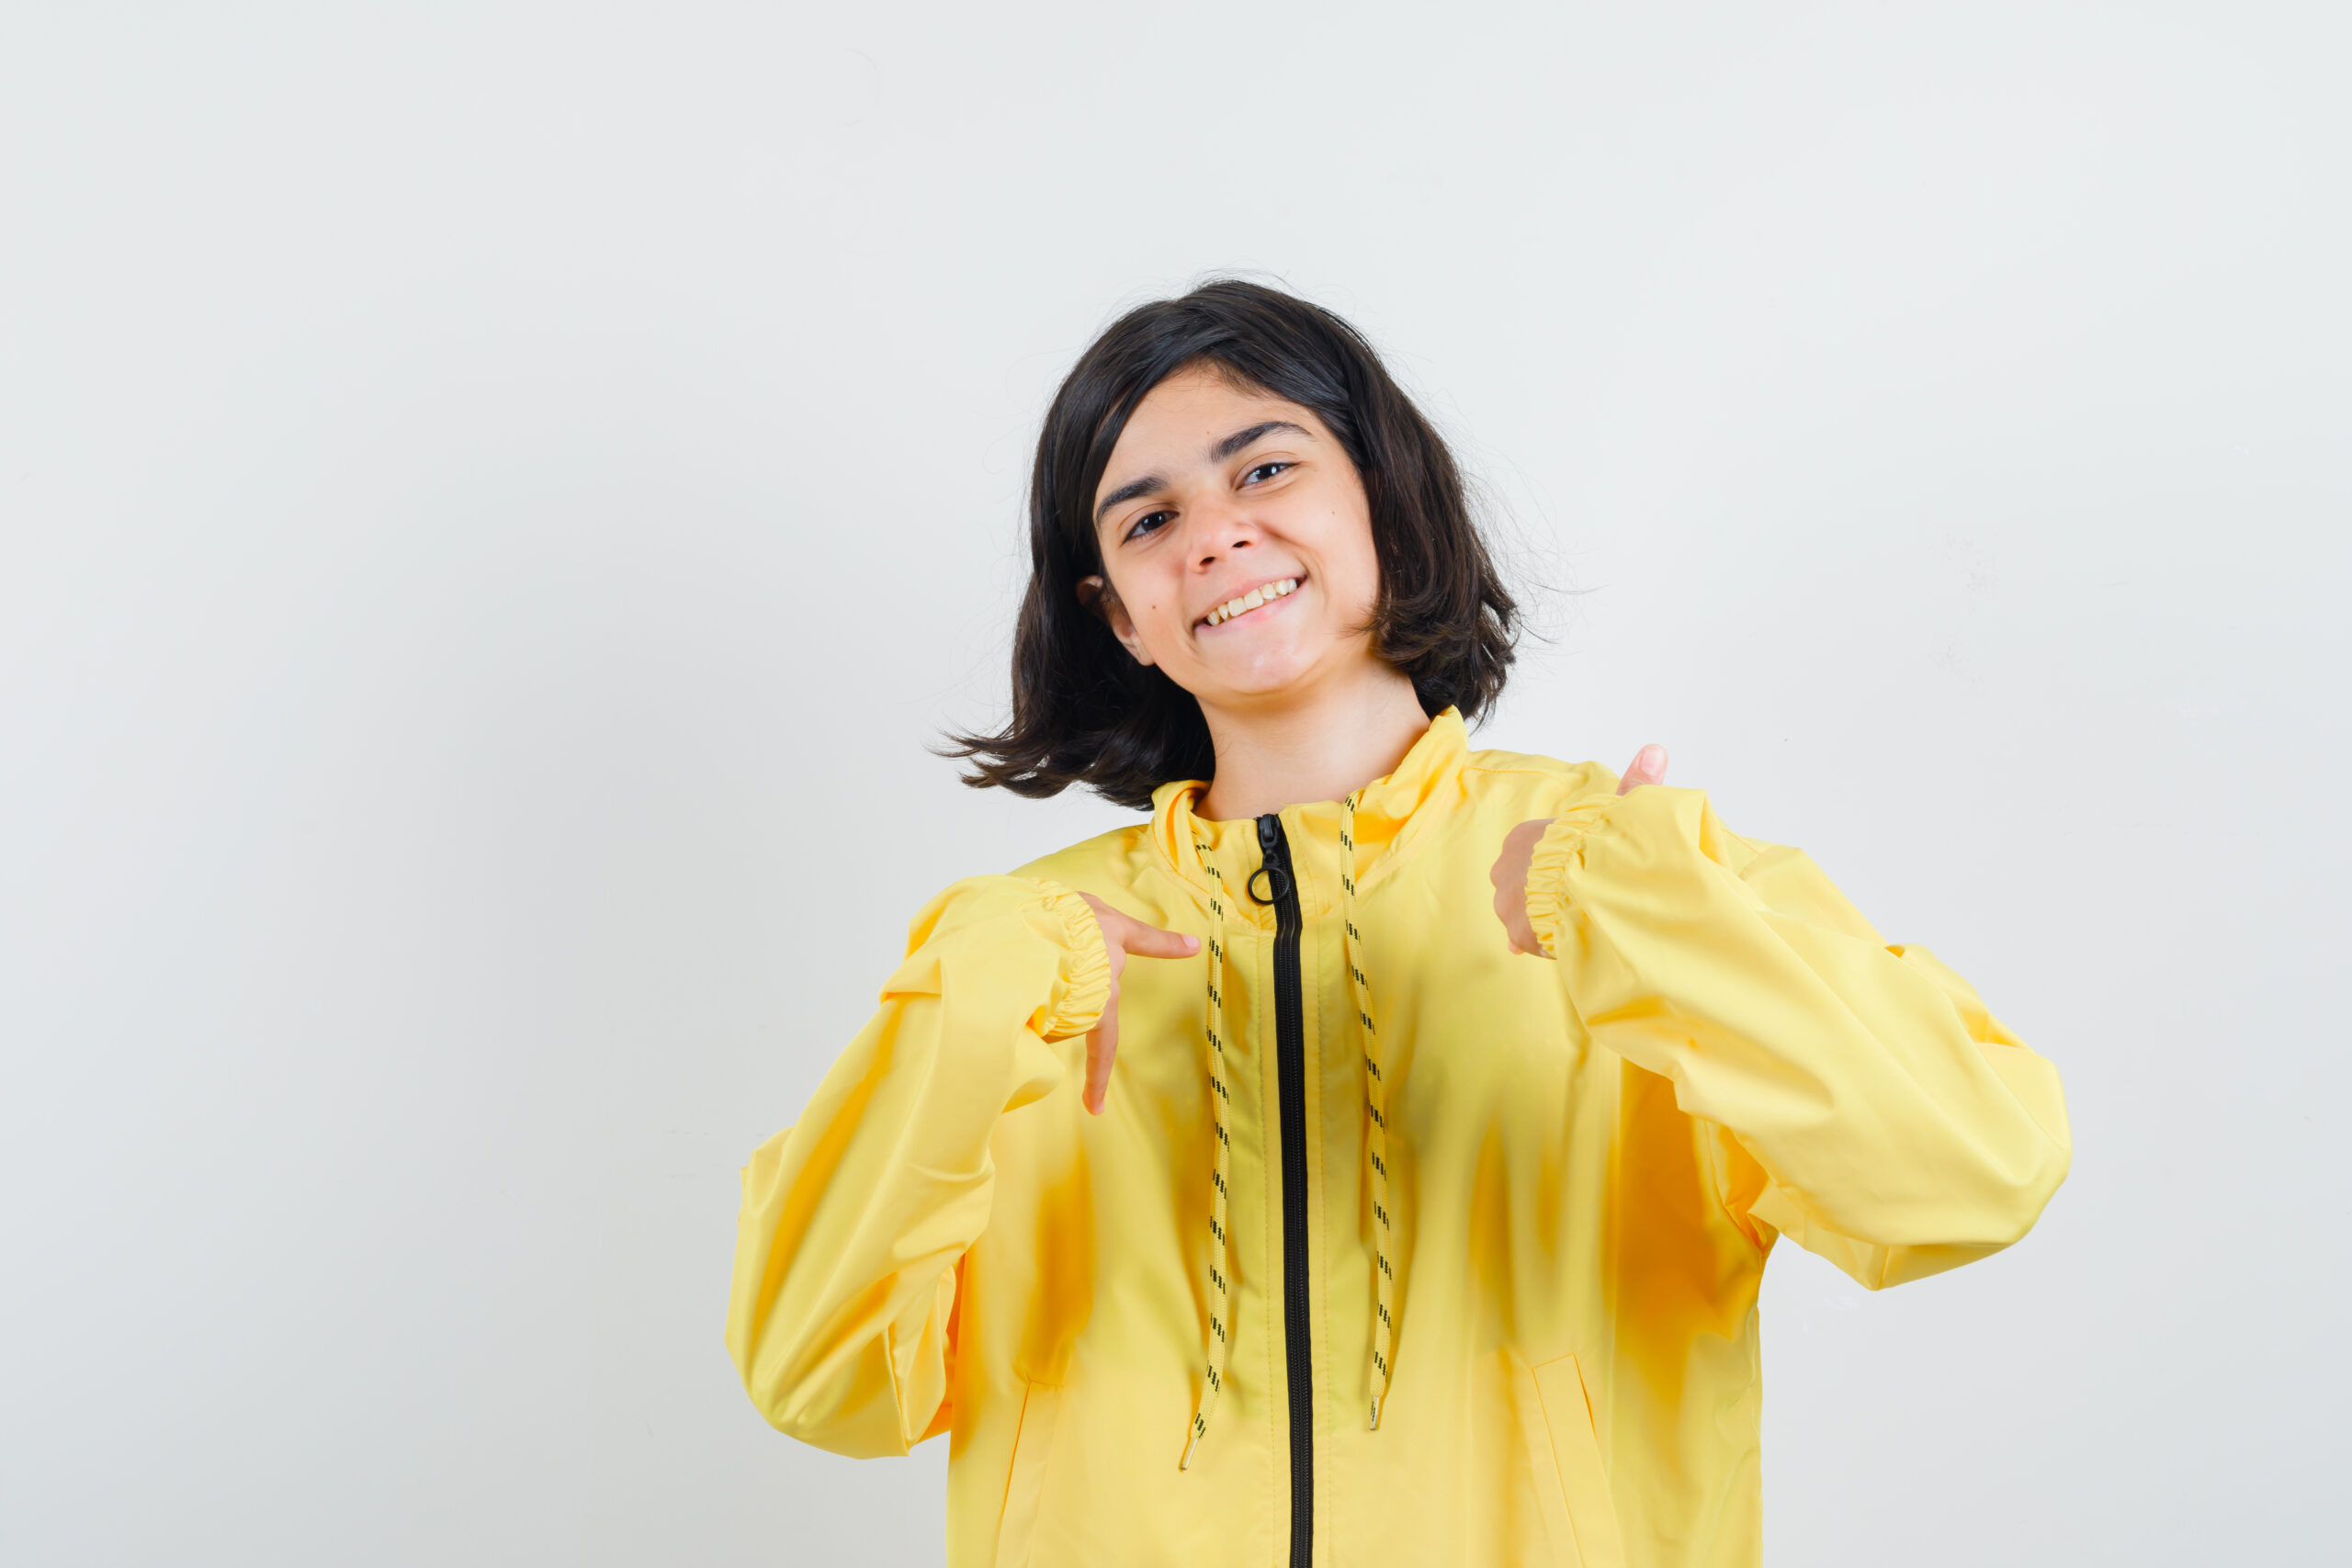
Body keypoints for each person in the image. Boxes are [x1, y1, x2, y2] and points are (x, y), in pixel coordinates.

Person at [723, 280, 2071, 1568]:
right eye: (1146, 521)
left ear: (1384, 501)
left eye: (1265, 471)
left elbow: (1971, 1175)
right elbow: (815, 1377)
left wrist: (1653, 920)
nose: (1214, 535)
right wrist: (979, 1006)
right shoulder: (1023, 954)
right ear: (1119, 618)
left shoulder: (1627, 879)